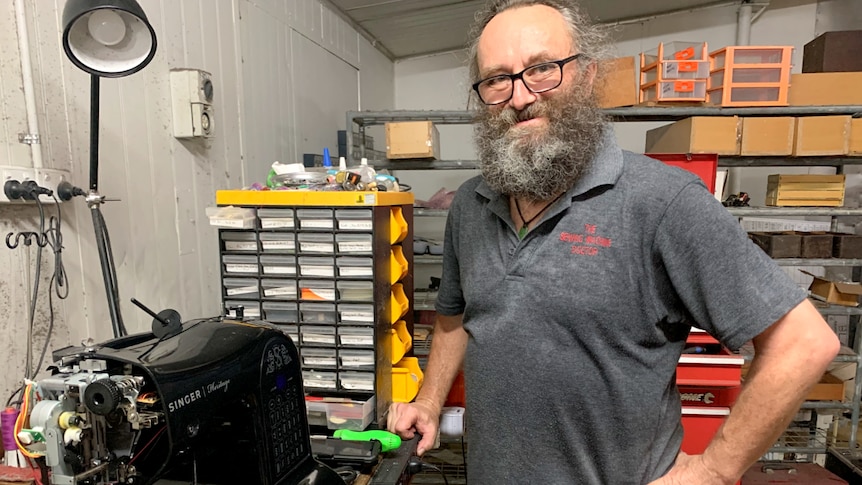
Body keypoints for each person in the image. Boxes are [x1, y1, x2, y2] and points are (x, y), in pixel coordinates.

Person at [386, 0, 841, 483]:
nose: (519, 96)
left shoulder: (663, 202)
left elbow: (804, 343)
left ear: (585, 75)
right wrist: (429, 402)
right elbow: (456, 315)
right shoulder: (470, 206)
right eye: (497, 79)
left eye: (542, 69)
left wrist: (714, 470)